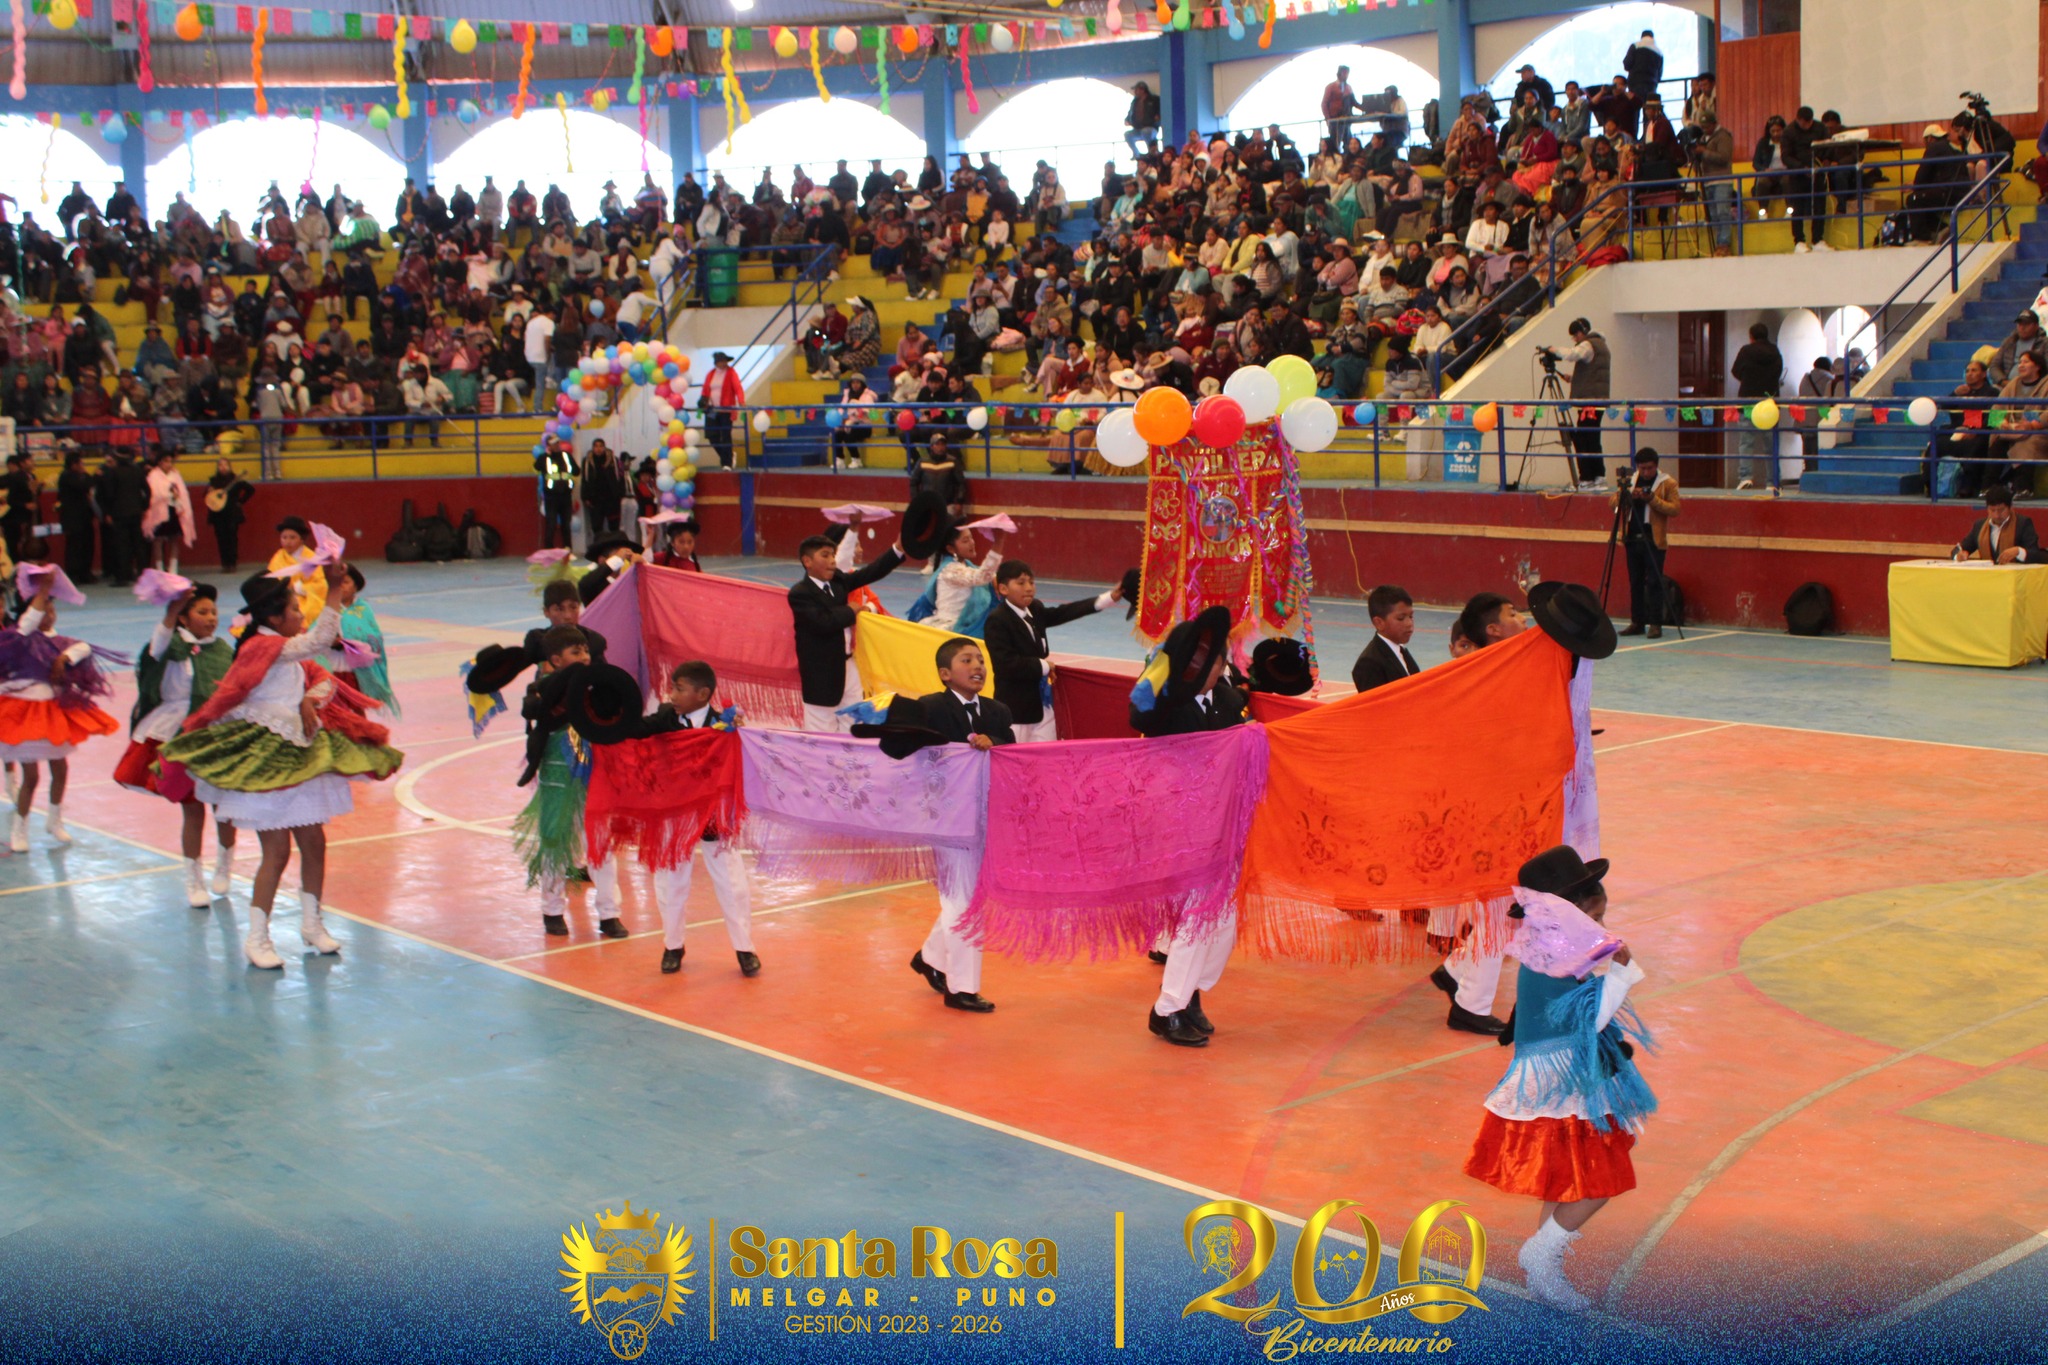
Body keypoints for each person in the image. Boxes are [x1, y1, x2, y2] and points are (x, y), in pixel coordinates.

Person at [160, 565, 402, 968]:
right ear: (273, 618)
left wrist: (310, 699)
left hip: (301, 753)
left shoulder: (286, 652)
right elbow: (322, 640)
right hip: (270, 758)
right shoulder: (263, 646)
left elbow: (322, 677)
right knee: (276, 852)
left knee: (314, 842)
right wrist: (332, 593)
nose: (301, 615)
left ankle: (312, 923)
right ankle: (258, 937)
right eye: (294, 608)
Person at [1463, 845, 1655, 1313]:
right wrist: (1624, 974)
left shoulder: (1546, 944)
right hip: (1561, 1080)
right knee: (1599, 1181)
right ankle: (1542, 1252)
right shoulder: (1555, 949)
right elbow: (1584, 1022)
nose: (1598, 928)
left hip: (1561, 1073)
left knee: (1566, 1178)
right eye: (1595, 917)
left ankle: (1544, 1267)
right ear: (1570, 909)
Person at [1130, 608, 1246, 1048]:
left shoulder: (1231, 702)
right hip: (1179, 829)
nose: (1216, 665)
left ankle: (1191, 991)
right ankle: (1168, 1010)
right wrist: (1167, 661)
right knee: (1198, 916)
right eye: (1205, 658)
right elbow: (1138, 715)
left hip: (1226, 826)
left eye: (1219, 658)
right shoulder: (1165, 707)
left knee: (1224, 921)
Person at [907, 637, 1015, 1015]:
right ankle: (962, 988)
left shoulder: (998, 711)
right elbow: (914, 757)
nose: (978, 666)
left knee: (971, 896)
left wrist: (996, 742)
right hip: (947, 820)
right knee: (960, 900)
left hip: (986, 817)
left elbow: (1012, 754)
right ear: (945, 674)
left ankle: (931, 957)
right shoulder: (930, 708)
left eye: (981, 659)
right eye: (967, 660)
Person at [115, 583, 238, 906]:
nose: (211, 618)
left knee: (224, 808)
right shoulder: (169, 647)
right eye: (202, 612)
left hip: (217, 733)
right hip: (178, 733)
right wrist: (169, 613)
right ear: (183, 618)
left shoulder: (223, 649)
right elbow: (157, 645)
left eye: (213, 611)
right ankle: (193, 875)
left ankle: (225, 865)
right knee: (192, 807)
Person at [640, 660, 759, 978]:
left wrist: (740, 732)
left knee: (731, 881)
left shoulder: (725, 726)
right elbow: (636, 735)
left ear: (703, 693)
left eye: (679, 688)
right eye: (672, 687)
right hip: (674, 811)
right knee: (670, 880)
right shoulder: (664, 718)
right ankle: (672, 945)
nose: (672, 694)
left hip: (712, 813)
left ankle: (744, 947)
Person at [514, 624, 626, 941]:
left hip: (594, 770)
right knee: (555, 840)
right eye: (575, 652)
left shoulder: (596, 688)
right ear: (555, 659)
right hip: (557, 770)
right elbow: (533, 708)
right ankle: (552, 910)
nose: (585, 657)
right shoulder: (541, 689)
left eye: (586, 651)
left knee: (601, 842)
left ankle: (609, 913)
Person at [0, 571, 121, 851]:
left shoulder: (59, 642)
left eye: (53, 609)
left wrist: (66, 658)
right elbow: (29, 623)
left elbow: (83, 647)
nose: (49, 614)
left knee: (60, 768)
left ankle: (55, 820)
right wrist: (42, 591)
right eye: (44, 608)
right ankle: (20, 826)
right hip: (25, 711)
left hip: (52, 712)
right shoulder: (18, 638)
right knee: (31, 775)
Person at [981, 559, 1121, 743]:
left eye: (1031, 582)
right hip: (1015, 708)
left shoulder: (1035, 608)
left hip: (1043, 704)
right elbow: (1005, 664)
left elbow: (1064, 612)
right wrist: (1043, 665)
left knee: (1046, 754)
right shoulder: (997, 620)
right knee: (1015, 756)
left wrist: (1107, 599)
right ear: (1003, 589)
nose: (1029, 588)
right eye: (1021, 583)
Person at [789, 528, 906, 732]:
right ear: (807, 561)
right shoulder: (800, 593)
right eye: (825, 555)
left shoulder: (838, 582)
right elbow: (823, 622)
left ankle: (848, 762)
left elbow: (872, 571)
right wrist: (850, 610)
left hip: (848, 664)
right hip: (820, 672)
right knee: (821, 729)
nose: (832, 560)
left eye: (833, 554)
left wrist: (897, 550)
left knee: (853, 721)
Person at [1612, 448, 1680, 638]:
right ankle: (1637, 621)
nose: (1646, 472)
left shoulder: (1667, 483)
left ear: (1656, 466)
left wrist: (1652, 499)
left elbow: (1675, 509)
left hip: (1654, 539)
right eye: (1642, 468)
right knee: (1635, 581)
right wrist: (1625, 496)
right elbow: (1612, 504)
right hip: (1632, 537)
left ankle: (1656, 623)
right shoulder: (1630, 482)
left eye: (1649, 468)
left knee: (1654, 582)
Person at [333, 565, 399, 719]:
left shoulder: (364, 609)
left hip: (356, 671)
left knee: (356, 711)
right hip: (333, 668)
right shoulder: (328, 609)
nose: (341, 586)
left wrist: (357, 643)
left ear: (356, 586)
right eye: (337, 582)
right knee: (336, 712)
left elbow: (374, 637)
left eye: (346, 582)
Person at [1554, 318, 1611, 488]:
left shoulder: (1589, 344)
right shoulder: (1601, 345)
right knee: (1592, 437)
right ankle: (1598, 475)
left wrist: (1553, 350)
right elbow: (1593, 375)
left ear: (1581, 332)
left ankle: (1586, 477)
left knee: (1583, 439)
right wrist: (1574, 379)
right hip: (1597, 399)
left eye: (1575, 336)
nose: (1575, 340)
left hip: (1589, 403)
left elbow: (1574, 354)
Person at [919, 523, 1003, 634]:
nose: (972, 543)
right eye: (965, 541)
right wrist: (999, 541)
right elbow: (982, 576)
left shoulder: (967, 566)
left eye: (971, 538)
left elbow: (986, 575)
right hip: (951, 628)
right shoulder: (951, 570)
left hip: (966, 624)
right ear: (950, 549)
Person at [1730, 322, 1785, 491]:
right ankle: (1773, 481)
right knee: (1771, 444)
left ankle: (1745, 477)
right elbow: (1778, 372)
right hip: (1769, 403)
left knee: (1746, 442)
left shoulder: (1746, 351)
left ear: (1751, 336)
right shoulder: (1775, 352)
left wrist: (1749, 380)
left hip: (1748, 401)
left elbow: (1735, 371)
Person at [1349, 584, 1421, 692]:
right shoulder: (1369, 664)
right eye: (1401, 618)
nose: (1409, 623)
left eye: (1411, 617)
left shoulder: (1401, 651)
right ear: (1379, 623)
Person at [1951, 484, 2040, 563]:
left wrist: (2019, 551)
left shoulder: (2023, 523)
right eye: (1992, 510)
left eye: (2001, 510)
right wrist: (1959, 555)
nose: (1997, 515)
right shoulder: (1980, 526)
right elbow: (1958, 550)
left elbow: (2036, 555)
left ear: (2010, 507)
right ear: (1987, 509)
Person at [142, 449, 195, 574]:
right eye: (166, 461)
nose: (169, 464)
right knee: (158, 540)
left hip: (174, 509)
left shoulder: (176, 474)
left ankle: (173, 568)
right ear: (160, 462)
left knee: (174, 538)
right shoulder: (153, 475)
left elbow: (183, 493)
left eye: (171, 461)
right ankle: (160, 567)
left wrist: (178, 498)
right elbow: (153, 494)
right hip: (159, 511)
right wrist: (168, 494)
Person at [268, 516, 329, 620]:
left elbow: (321, 585)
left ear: (301, 539)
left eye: (292, 537)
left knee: (308, 612)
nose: (287, 541)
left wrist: (298, 588)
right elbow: (270, 582)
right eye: (284, 537)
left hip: (306, 598)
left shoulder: (311, 558)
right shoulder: (277, 557)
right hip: (283, 599)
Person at [56, 452, 98, 586]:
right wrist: (88, 475)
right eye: (80, 463)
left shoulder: (82, 476)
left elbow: (90, 484)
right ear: (73, 464)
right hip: (72, 517)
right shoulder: (66, 476)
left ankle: (85, 572)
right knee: (75, 546)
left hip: (85, 516)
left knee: (87, 545)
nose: (82, 466)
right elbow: (83, 486)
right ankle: (74, 573)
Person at [206, 460, 255, 572]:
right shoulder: (213, 480)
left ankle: (232, 563)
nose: (223, 467)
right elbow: (207, 496)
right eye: (220, 465)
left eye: (225, 465)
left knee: (232, 538)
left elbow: (250, 490)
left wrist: (240, 501)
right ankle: (224, 564)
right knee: (221, 538)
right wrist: (209, 491)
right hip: (217, 513)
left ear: (229, 466)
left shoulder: (236, 479)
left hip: (232, 512)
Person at [699, 351, 744, 469]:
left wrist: (741, 401)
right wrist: (703, 402)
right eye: (721, 361)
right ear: (716, 362)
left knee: (725, 435)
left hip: (726, 409)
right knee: (711, 435)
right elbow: (705, 389)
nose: (724, 363)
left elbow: (737, 387)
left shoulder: (731, 373)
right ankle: (727, 456)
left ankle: (726, 463)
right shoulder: (710, 374)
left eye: (725, 361)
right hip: (712, 409)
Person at [534, 437, 576, 551]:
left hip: (566, 496)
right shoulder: (544, 458)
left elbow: (576, 471)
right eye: (553, 444)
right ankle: (548, 550)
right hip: (551, 497)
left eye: (557, 443)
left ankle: (568, 549)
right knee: (551, 525)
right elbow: (536, 467)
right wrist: (545, 456)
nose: (556, 445)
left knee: (566, 525)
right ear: (548, 446)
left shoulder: (566, 456)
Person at [1322, 65, 1360, 149]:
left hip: (1346, 118)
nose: (1346, 75)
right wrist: (1328, 119)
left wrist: (1366, 108)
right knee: (1335, 142)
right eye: (1344, 73)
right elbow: (1324, 103)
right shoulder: (1330, 87)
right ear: (1339, 74)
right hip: (1335, 119)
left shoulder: (1348, 87)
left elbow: (1354, 102)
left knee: (1347, 140)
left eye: (1347, 73)